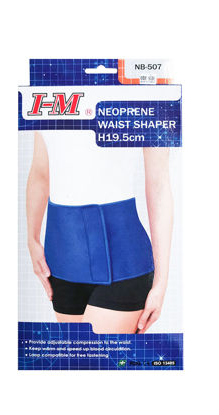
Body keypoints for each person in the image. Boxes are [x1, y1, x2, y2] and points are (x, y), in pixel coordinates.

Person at [26, 131, 173, 334]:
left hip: (123, 262)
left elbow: (159, 185)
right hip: (62, 260)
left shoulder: (152, 108)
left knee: (93, 354)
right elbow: (41, 172)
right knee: (75, 354)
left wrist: (161, 283)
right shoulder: (43, 109)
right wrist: (32, 239)